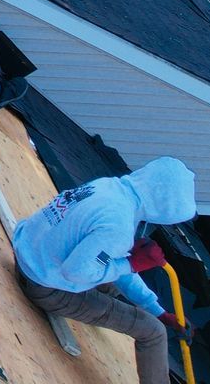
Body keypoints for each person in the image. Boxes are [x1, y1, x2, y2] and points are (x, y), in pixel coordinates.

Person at [13, 158, 198, 384]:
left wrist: (157, 310)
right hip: (44, 286)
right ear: (166, 206)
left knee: (111, 282)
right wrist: (132, 264)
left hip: (29, 252)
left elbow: (113, 263)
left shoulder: (110, 187)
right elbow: (76, 272)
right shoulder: (118, 225)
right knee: (153, 332)